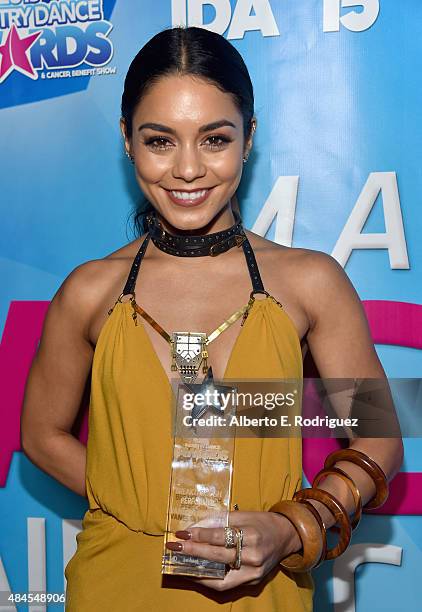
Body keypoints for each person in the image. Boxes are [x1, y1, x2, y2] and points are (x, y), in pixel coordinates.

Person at [20, 25, 403, 612]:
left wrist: (295, 526)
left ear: (249, 139)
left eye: (215, 139)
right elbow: (40, 435)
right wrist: (133, 500)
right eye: (160, 141)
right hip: (116, 581)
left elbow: (380, 435)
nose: (189, 169)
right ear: (127, 141)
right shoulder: (89, 291)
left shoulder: (310, 283)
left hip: (264, 591)